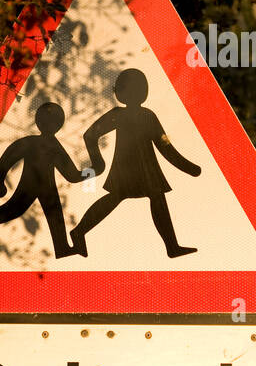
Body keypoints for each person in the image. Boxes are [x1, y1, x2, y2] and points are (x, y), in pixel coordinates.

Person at [71, 68, 201, 258]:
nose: (140, 92)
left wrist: (187, 167)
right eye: (136, 89)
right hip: (129, 168)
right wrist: (97, 162)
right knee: (130, 197)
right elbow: (90, 135)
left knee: (153, 197)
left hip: (145, 168)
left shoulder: (147, 116)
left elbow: (164, 145)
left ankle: (172, 247)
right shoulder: (124, 115)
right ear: (121, 93)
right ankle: (79, 231)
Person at [0, 102, 85, 259]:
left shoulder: (47, 144)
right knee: (15, 209)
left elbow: (71, 175)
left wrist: (90, 172)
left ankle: (62, 247)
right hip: (31, 185)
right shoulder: (36, 143)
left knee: (55, 215)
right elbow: (6, 160)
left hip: (47, 186)